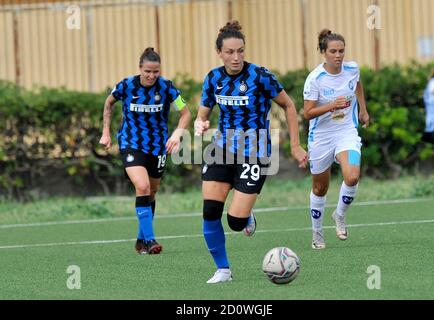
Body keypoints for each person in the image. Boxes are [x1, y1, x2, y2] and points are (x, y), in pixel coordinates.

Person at [195, 21, 308, 284]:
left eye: (241, 51)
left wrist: (295, 145)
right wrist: (201, 122)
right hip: (221, 150)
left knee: (235, 222)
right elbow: (205, 108)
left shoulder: (260, 76)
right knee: (210, 211)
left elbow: (289, 106)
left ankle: (245, 216)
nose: (236, 57)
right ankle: (223, 269)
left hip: (254, 153)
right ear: (219, 53)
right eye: (230, 52)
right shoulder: (213, 78)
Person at [99, 47, 191, 254]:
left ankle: (140, 240)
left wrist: (177, 134)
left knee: (152, 192)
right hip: (131, 143)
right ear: (140, 68)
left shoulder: (167, 88)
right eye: (147, 71)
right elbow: (108, 103)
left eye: (155, 71)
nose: (151, 76)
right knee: (142, 186)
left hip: (158, 146)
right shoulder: (126, 85)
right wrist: (106, 132)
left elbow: (186, 114)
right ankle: (150, 241)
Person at [302, 29, 370, 250]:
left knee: (352, 176)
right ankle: (317, 233)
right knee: (320, 188)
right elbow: (307, 113)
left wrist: (363, 109)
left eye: (341, 51)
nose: (338, 55)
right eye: (333, 51)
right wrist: (332, 105)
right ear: (324, 52)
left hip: (346, 132)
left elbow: (358, 85)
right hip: (321, 137)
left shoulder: (352, 69)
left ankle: (339, 215)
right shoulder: (315, 79)